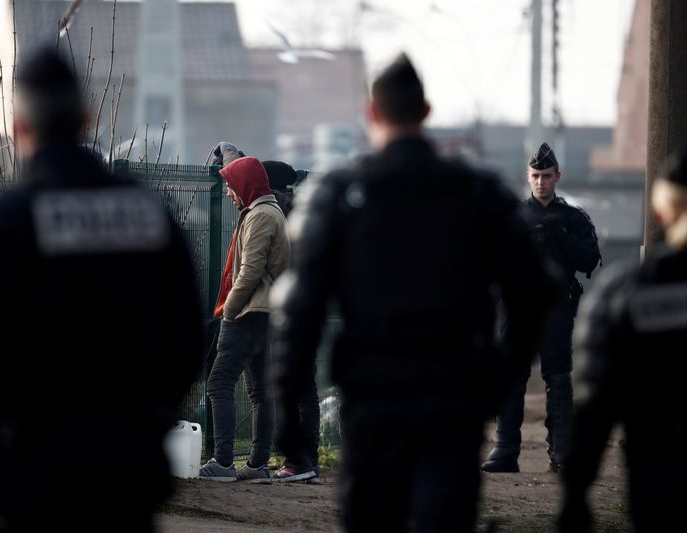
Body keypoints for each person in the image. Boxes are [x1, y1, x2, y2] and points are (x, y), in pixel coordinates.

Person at [270, 52, 559, 532]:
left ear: (372, 114)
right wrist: (497, 378)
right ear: (426, 113)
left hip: (373, 397)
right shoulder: (476, 191)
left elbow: (300, 310)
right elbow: (536, 289)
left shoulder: (340, 193)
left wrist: (287, 416)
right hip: (452, 395)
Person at [0, 47, 203, 533]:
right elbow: (185, 340)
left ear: (18, 127)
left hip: (31, 474)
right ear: (87, 118)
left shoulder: (4, 222)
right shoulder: (150, 213)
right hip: (127, 473)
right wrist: (147, 420)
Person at [557, 147, 687, 533]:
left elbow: (596, 403)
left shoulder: (627, 292)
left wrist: (575, 492)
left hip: (660, 479)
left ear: (660, 213)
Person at [483, 143, 601, 473]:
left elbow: (590, 259)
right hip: (516, 305)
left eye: (546, 176)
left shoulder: (572, 218)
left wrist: (559, 235)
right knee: (512, 375)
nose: (540, 182)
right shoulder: (514, 216)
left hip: (557, 306)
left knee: (558, 376)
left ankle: (561, 451)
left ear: (557, 177)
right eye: (535, 176)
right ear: (528, 176)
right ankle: (505, 449)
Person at [200, 156, 290, 482]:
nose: (227, 193)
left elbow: (250, 271)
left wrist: (229, 311)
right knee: (259, 391)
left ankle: (223, 461)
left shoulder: (261, 216)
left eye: (229, 185)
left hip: (250, 312)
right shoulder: (265, 212)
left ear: (245, 185)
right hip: (266, 312)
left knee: (219, 382)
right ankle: (257, 465)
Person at [261, 160, 319, 483]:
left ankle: (297, 460)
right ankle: (307, 459)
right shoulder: (303, 210)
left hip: (283, 305)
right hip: (308, 304)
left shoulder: (275, 210)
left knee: (287, 384)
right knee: (307, 386)